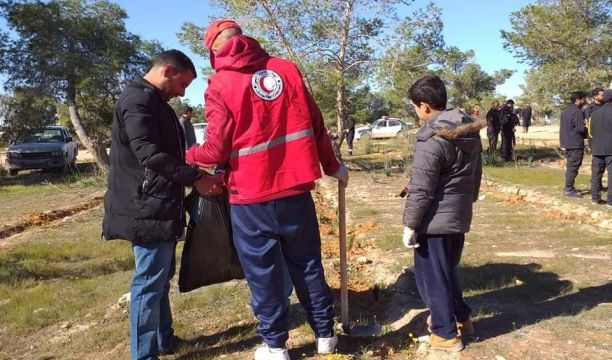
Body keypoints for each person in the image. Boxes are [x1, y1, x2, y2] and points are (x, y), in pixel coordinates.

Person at [185, 19, 348, 360]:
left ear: (214, 50)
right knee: (307, 264)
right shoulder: (287, 69)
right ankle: (325, 335)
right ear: (243, 38)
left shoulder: (220, 84)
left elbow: (214, 150)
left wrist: (186, 154)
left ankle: (275, 346)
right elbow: (316, 123)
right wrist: (333, 166)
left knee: (263, 274)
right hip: (295, 190)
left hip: (251, 197)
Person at [102, 50, 222, 360]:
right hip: (145, 208)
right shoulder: (137, 101)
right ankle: (144, 354)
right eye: (183, 83)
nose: (183, 92)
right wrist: (195, 178)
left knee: (160, 276)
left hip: (158, 204)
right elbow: (149, 155)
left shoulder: (154, 102)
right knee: (149, 282)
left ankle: (164, 338)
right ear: (167, 70)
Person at [401, 75, 483, 352]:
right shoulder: (467, 130)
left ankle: (445, 335)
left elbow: (423, 189)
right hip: (457, 215)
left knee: (431, 279)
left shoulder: (430, 136)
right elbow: (474, 175)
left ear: (424, 106)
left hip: (434, 221)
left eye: (414, 107)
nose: (416, 112)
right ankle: (461, 319)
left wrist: (410, 224)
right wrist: (466, 204)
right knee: (446, 272)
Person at [559, 91, 587, 198]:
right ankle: (568, 189)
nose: (585, 101)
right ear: (578, 100)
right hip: (575, 143)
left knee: (571, 165)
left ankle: (569, 186)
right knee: (573, 166)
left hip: (567, 142)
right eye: (583, 99)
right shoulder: (577, 112)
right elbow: (580, 128)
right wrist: (588, 131)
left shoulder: (566, 110)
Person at [589, 89, 612, 206]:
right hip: (610, 148)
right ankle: (610, 201)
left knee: (596, 174)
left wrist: (592, 146)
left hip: (597, 147)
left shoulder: (594, 114)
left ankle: (595, 198)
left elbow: (590, 132)